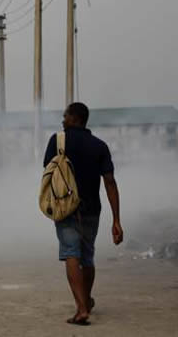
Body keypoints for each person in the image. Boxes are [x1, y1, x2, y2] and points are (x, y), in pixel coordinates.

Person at [43, 102, 124, 326]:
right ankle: (86, 301)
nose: (62, 120)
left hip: (65, 209)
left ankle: (81, 309)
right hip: (92, 211)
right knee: (87, 257)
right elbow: (110, 182)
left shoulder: (57, 141)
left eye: (65, 116)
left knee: (71, 254)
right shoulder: (100, 146)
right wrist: (116, 220)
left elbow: (49, 173)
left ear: (75, 118)